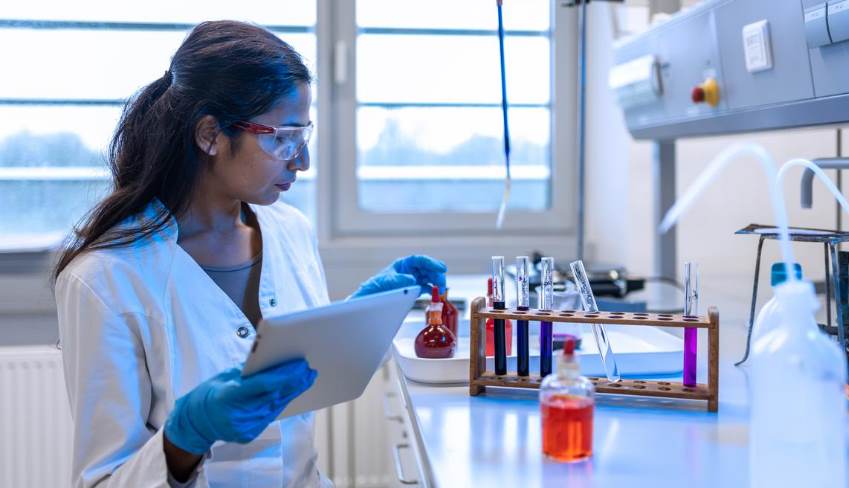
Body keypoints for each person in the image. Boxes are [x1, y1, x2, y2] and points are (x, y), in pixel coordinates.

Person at [53, 20, 446, 488]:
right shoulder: (104, 279)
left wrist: (360, 321)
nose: (301, 161)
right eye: (282, 137)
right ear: (209, 134)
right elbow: (102, 482)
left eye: (304, 135)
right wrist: (184, 441)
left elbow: (297, 389)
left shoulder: (291, 232)